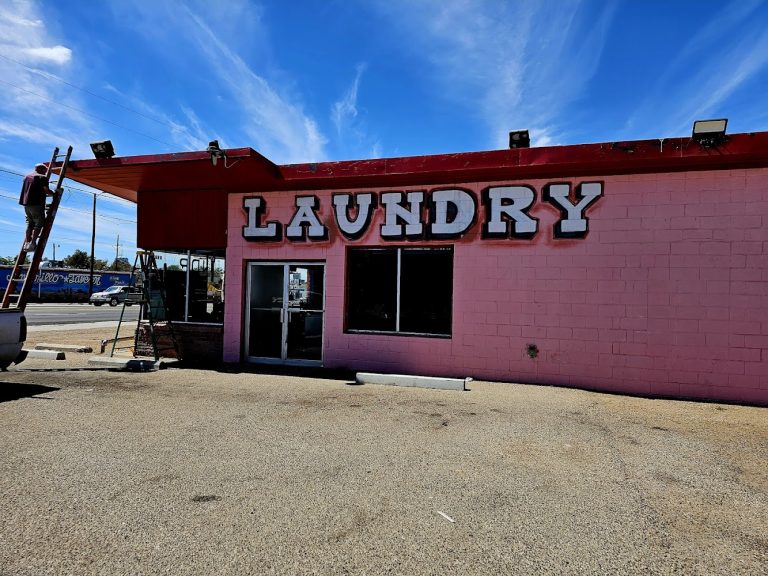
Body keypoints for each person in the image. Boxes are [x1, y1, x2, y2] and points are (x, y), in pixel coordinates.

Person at [18, 163, 52, 251]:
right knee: (39, 223)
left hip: (26, 205)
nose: (45, 172)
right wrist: (55, 194)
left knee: (30, 224)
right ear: (41, 169)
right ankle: (32, 243)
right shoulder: (42, 177)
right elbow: (46, 190)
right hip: (36, 204)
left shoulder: (26, 177)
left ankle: (26, 243)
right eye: (45, 170)